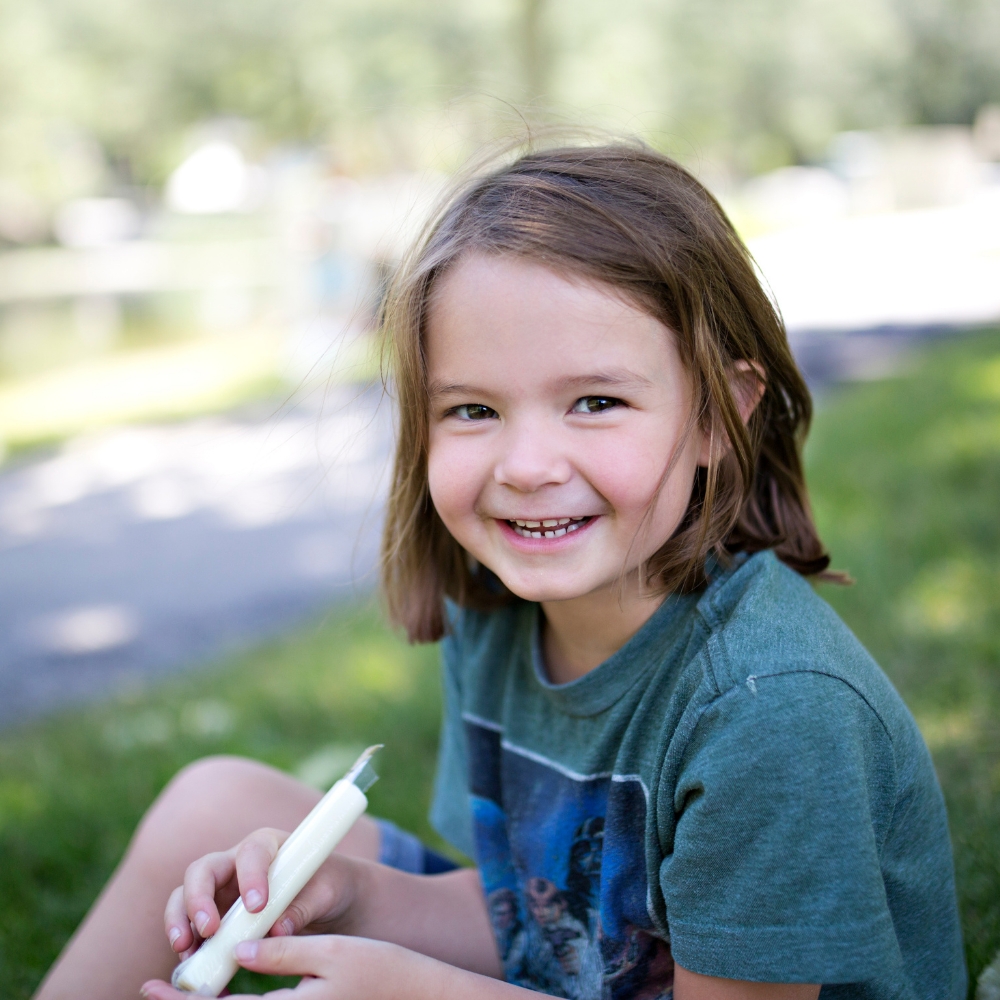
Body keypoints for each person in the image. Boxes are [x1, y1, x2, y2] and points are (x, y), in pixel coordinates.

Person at [35, 141, 967, 1000]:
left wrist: (416, 991)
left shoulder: (772, 709)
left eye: (596, 401)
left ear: (723, 413)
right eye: (473, 410)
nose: (525, 466)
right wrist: (345, 897)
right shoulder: (500, 607)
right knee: (216, 803)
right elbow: (533, 923)